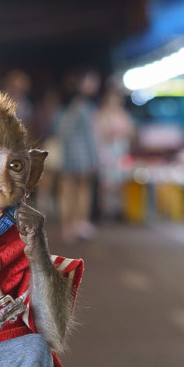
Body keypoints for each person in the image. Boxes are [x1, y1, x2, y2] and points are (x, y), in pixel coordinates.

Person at [56, 70, 101, 240]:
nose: (94, 85)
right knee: (82, 189)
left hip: (68, 154)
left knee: (67, 190)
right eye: (91, 81)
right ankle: (79, 223)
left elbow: (60, 131)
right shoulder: (83, 106)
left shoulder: (66, 105)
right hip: (82, 155)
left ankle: (68, 226)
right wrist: (95, 158)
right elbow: (90, 136)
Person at [95, 85, 134, 221]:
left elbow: (131, 131)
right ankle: (105, 210)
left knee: (120, 181)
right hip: (107, 152)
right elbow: (101, 133)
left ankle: (117, 209)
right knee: (107, 183)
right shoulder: (103, 114)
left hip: (121, 150)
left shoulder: (123, 114)